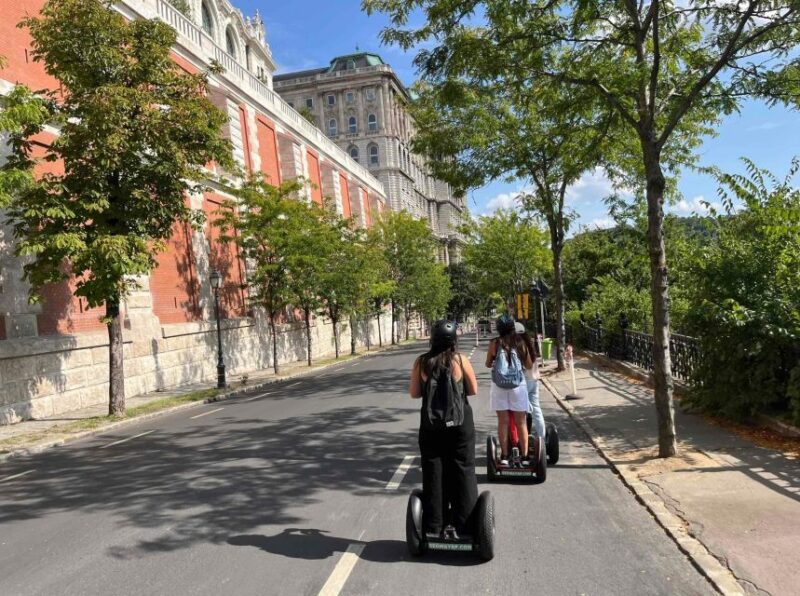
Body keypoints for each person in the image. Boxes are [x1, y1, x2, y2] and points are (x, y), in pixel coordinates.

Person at [409, 320, 479, 537]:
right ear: (454, 340)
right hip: (460, 424)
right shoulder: (461, 360)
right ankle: (465, 525)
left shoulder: (421, 362)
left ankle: (434, 526)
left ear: (432, 339)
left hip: (431, 426)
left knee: (433, 472)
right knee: (463, 469)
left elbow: (414, 393)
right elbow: (473, 390)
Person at [485, 314, 533, 466]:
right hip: (518, 386)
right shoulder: (519, 342)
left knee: (503, 422)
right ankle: (524, 457)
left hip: (499, 386)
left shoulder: (494, 343)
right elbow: (529, 365)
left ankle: (505, 456)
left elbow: (487, 364)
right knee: (521, 422)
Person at [515, 322, 546, 440]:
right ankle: (542, 438)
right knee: (536, 409)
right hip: (534, 379)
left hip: (524, 381)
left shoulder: (519, 345)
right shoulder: (530, 344)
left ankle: (521, 439)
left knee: (520, 411)